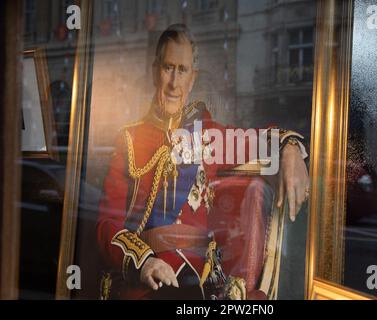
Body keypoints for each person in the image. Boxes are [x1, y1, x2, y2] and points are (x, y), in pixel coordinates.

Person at [96, 24, 309, 300]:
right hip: (149, 282)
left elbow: (258, 141)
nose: (174, 82)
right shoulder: (129, 139)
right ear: (154, 71)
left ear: (192, 78)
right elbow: (106, 225)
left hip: (199, 281)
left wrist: (290, 148)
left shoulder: (207, 133)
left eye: (182, 70)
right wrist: (145, 261)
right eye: (167, 68)